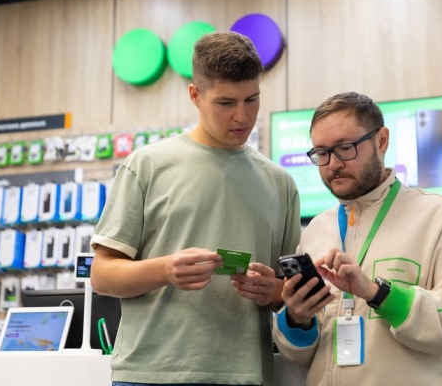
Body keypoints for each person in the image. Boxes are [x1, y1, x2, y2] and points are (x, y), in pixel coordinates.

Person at [90, 31, 301, 386]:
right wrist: (164, 270)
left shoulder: (280, 183)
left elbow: (293, 291)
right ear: (195, 95)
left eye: (252, 100)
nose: (242, 116)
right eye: (225, 103)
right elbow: (102, 275)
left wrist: (275, 292)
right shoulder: (147, 166)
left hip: (244, 375)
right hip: (150, 374)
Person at [273, 92, 442, 385]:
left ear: (382, 141)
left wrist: (377, 294)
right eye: (322, 153)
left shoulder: (439, 218)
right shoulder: (315, 231)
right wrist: (298, 318)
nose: (333, 164)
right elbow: (302, 356)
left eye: (345, 148)